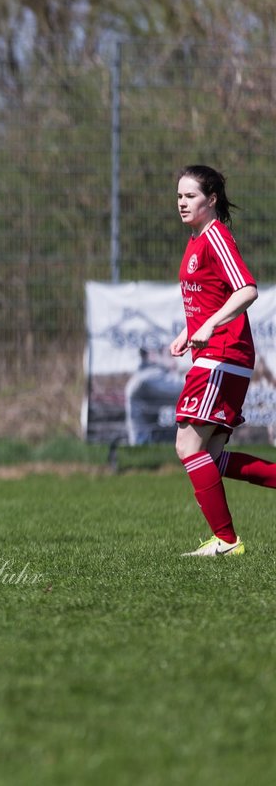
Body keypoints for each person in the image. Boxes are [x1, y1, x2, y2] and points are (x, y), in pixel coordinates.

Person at [170, 165, 259, 556]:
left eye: (190, 196)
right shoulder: (195, 241)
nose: (182, 203)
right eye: (179, 197)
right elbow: (210, 297)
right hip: (214, 352)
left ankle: (226, 541)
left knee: (188, 446)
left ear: (212, 199)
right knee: (212, 458)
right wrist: (189, 331)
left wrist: (207, 326)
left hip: (223, 354)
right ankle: (225, 540)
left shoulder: (216, 236)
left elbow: (246, 290)